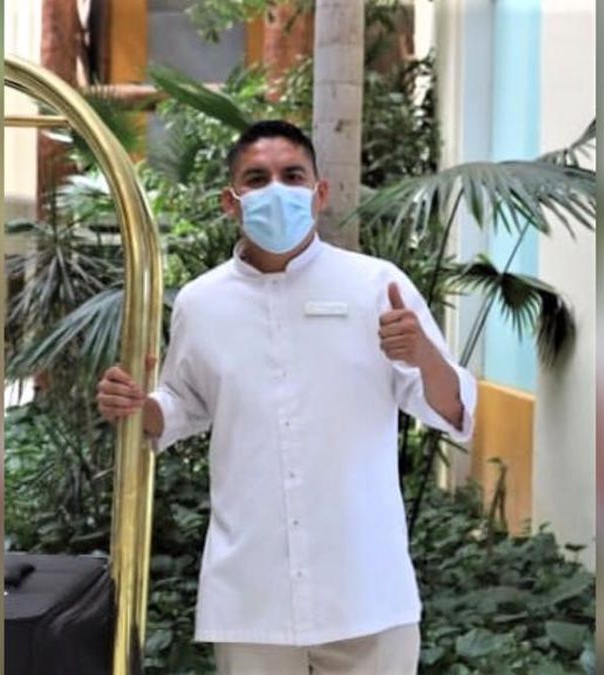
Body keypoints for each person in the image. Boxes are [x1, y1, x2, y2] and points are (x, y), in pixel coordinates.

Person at [96, 120, 476, 675]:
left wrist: (425, 355)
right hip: (253, 592)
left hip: (367, 589)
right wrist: (138, 407)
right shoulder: (201, 303)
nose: (276, 189)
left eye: (292, 175)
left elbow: (451, 410)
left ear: (319, 193)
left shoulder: (377, 286)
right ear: (231, 201)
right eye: (257, 178)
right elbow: (182, 404)